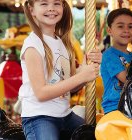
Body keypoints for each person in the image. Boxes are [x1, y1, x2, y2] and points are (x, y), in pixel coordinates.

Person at [19, 0, 102, 140]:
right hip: (39, 116)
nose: (51, 8)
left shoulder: (61, 42)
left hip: (64, 115)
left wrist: (85, 70)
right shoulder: (33, 45)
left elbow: (69, 86)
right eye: (44, 4)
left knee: (96, 135)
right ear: (32, 9)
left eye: (56, 3)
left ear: (63, 7)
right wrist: (81, 77)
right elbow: (41, 93)